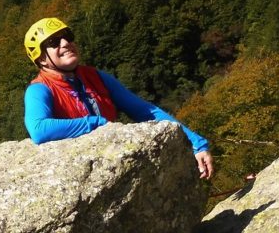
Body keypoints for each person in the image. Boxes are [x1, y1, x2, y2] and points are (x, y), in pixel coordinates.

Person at [23, 17, 214, 179]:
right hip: (76, 175)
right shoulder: (39, 90)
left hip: (114, 167)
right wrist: (94, 122)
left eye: (68, 37)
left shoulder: (95, 77)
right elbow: (39, 130)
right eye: (54, 42)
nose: (65, 43)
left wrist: (197, 144)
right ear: (41, 58)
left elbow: (145, 111)